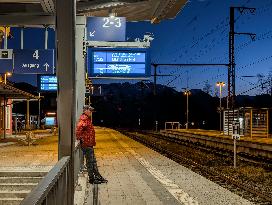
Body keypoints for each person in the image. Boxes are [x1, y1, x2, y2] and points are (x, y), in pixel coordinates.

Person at [76, 105, 108, 184]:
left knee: (93, 161)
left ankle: (97, 176)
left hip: (89, 144)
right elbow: (78, 130)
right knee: (90, 162)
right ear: (85, 110)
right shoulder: (84, 119)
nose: (91, 113)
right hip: (86, 144)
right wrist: (81, 139)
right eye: (90, 111)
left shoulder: (87, 119)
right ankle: (92, 179)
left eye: (91, 111)